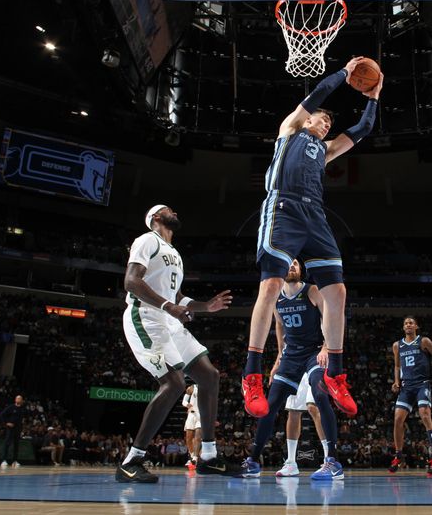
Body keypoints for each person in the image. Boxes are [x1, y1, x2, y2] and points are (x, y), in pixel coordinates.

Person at [241, 57, 384, 419]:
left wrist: (375, 96)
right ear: (306, 119)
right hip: (283, 208)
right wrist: (345, 73)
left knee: (337, 291)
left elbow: (364, 128)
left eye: (329, 122)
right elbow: (319, 92)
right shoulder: (289, 129)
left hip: (315, 214)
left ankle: (335, 373)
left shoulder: (326, 149)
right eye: (322, 118)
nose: (326, 122)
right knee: (271, 285)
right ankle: (252, 374)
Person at [116, 204, 236, 482]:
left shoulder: (175, 254)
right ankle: (131, 460)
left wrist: (207, 306)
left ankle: (207, 456)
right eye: (170, 210)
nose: (177, 213)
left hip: (169, 320)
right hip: (145, 317)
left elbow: (178, 296)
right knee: (174, 383)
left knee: (209, 376)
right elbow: (131, 281)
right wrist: (169, 307)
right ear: (157, 218)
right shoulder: (147, 240)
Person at [238, 259, 343, 480]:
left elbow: (331, 318)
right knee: (270, 405)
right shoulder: (275, 297)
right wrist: (278, 355)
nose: (292, 266)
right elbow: (279, 325)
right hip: (291, 355)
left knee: (320, 395)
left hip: (314, 351)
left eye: (296, 263)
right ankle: (253, 461)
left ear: (301, 269)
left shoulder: (312, 290)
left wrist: (326, 347)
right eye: (289, 263)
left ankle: (333, 462)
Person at [388, 316, 432, 475]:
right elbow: (397, 366)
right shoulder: (397, 345)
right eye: (405, 323)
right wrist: (396, 381)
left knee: (425, 415)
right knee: (398, 419)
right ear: (403, 327)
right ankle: (398, 455)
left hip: (422, 383)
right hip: (406, 387)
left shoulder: (424, 341)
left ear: (416, 326)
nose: (408, 325)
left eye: (411, 323)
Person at [271, 356, 331, 477]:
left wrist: (325, 348)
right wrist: (277, 363)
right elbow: (282, 342)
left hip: (317, 360)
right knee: (293, 411)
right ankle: (291, 463)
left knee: (313, 407)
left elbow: (330, 336)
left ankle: (329, 460)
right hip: (295, 362)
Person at [0, 394, 27, 468]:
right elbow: (2, 415)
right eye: (17, 398)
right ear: (15, 400)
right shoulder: (11, 407)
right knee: (7, 444)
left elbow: (22, 419)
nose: (19, 400)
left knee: (16, 445)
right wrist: (6, 423)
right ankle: (3, 460)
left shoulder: (22, 409)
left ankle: (14, 461)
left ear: (22, 401)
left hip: (18, 429)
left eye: (20, 399)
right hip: (10, 429)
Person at [182, 384, 201, 470]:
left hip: (201, 415)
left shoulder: (208, 386)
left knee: (197, 437)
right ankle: (192, 455)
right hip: (191, 414)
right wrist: (187, 405)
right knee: (188, 438)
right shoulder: (192, 388)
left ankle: (195, 459)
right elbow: (184, 401)